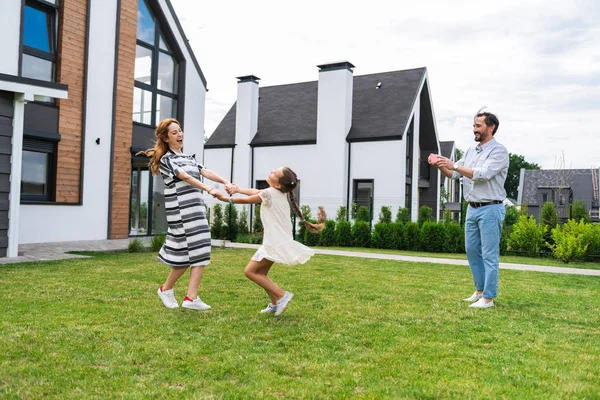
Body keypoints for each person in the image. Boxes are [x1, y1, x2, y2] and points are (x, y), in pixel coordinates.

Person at [137, 118, 236, 310]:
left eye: (180, 131)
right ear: (166, 138)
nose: (179, 134)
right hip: (181, 210)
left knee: (188, 253)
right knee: (198, 247)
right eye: (174, 133)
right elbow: (185, 176)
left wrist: (225, 182)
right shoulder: (167, 159)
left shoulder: (188, 158)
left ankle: (178, 293)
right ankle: (186, 296)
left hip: (195, 208)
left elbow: (204, 171)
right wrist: (208, 189)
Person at [213, 167, 324, 316]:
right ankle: (275, 303)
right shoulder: (278, 193)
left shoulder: (270, 193)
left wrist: (224, 198)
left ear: (278, 184)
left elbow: (248, 200)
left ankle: (281, 295)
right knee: (261, 273)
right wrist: (237, 189)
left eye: (274, 173)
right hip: (279, 240)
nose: (271, 171)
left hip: (274, 242)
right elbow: (255, 192)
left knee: (250, 272)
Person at [432, 110, 509, 308]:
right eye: (474, 125)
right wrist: (441, 164)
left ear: (491, 128)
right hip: (472, 208)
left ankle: (489, 298)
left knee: (489, 254)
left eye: (478, 126)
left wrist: (454, 166)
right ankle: (480, 290)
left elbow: (482, 174)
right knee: (472, 252)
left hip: (491, 208)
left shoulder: (499, 152)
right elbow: (453, 174)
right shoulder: (470, 151)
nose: (474, 129)